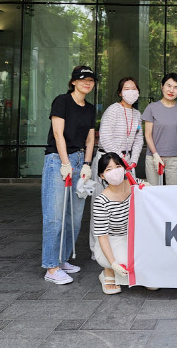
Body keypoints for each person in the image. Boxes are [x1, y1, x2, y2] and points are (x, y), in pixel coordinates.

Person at [41, 65, 96, 285]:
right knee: (55, 216)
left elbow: (90, 139)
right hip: (57, 160)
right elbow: (58, 133)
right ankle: (51, 267)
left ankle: (62, 259)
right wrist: (65, 163)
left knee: (74, 217)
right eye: (83, 79)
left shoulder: (90, 108)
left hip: (80, 160)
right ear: (73, 82)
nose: (87, 83)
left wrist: (87, 164)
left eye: (91, 80)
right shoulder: (62, 101)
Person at [89, 77, 143, 258]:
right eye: (127, 88)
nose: (131, 91)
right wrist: (120, 160)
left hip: (127, 163)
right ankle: (97, 250)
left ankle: (122, 247)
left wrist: (133, 160)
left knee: (125, 204)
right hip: (108, 162)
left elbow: (138, 139)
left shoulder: (137, 114)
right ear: (120, 92)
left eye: (134, 88)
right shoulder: (113, 110)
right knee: (101, 204)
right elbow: (105, 137)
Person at [92, 152, 132, 294]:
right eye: (109, 169)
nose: (115, 171)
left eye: (118, 166)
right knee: (126, 264)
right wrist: (113, 263)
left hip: (135, 236)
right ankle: (108, 271)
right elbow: (102, 236)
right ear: (102, 176)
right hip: (112, 240)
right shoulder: (101, 201)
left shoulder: (134, 184)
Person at [142, 73, 177, 186]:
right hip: (153, 157)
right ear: (162, 86)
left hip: (175, 158)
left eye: (176, 87)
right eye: (169, 85)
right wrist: (155, 154)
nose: (171, 90)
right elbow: (148, 134)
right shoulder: (152, 108)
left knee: (172, 192)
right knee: (153, 191)